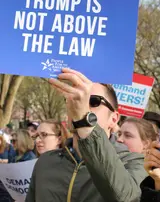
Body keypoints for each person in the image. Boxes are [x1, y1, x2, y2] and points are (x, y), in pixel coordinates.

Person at [26, 68, 147, 202]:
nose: (79, 104)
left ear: (113, 119)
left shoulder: (132, 162)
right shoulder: (46, 161)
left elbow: (126, 198)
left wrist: (84, 121)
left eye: (93, 101)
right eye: (73, 98)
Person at [118, 116, 160, 190]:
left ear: (146, 143)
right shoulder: (114, 157)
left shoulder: (157, 171)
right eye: (119, 134)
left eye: (128, 135)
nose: (119, 139)